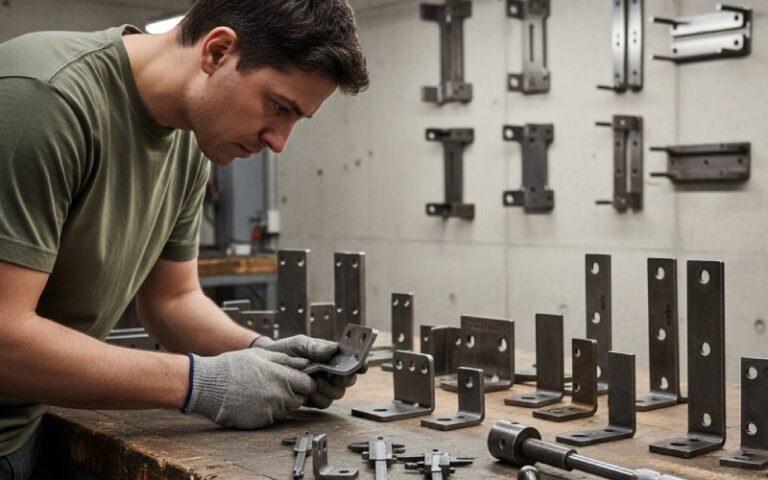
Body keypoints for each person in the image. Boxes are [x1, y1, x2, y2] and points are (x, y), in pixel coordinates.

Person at [0, 0, 369, 477]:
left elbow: (172, 302)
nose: (279, 141)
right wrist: (204, 382)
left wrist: (261, 354)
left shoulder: (190, 138)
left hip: (31, 423)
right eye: (280, 107)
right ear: (217, 52)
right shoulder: (43, 100)